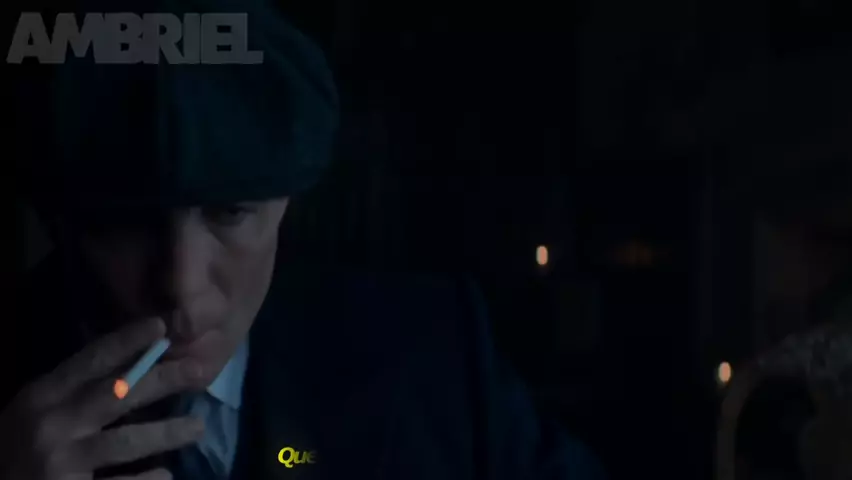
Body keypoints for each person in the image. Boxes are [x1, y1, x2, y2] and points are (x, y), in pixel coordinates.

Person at [4, 1, 606, 479]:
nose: (182, 288)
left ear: (286, 202)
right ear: (60, 219)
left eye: (230, 212)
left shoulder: (434, 361)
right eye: (126, 222)